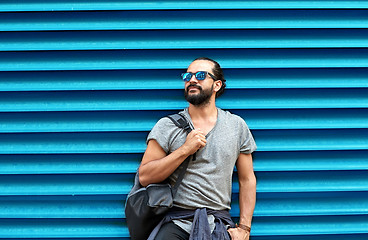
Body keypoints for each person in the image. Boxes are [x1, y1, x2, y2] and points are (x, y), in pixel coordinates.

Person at [138, 57, 257, 240]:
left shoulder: (236, 126)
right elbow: (145, 176)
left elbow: (247, 179)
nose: (192, 80)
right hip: (176, 221)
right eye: (188, 76)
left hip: (217, 223)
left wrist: (244, 228)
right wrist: (185, 149)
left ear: (216, 85)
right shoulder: (167, 126)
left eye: (200, 75)